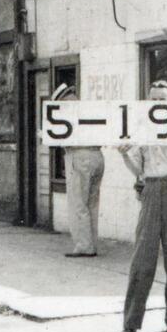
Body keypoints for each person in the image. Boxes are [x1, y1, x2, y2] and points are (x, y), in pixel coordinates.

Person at [117, 80, 167, 332]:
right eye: (153, 100)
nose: (158, 104)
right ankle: (131, 323)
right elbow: (138, 170)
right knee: (142, 259)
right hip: (151, 191)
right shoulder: (142, 130)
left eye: (163, 99)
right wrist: (124, 155)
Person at [53, 84, 105, 258]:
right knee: (92, 203)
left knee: (78, 202)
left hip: (79, 156)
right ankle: (92, 244)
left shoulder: (67, 115)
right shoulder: (89, 112)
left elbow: (62, 138)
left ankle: (83, 245)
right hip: (97, 155)